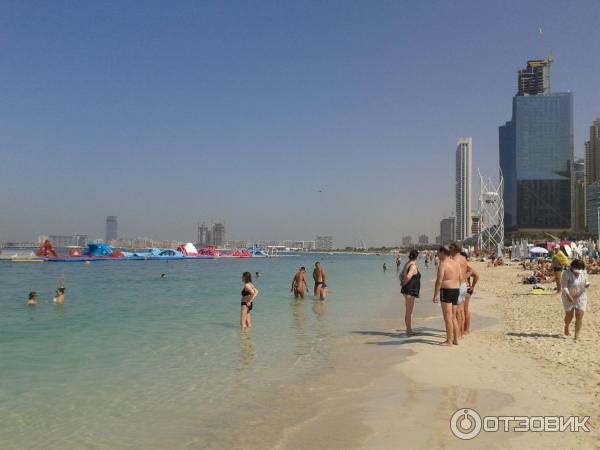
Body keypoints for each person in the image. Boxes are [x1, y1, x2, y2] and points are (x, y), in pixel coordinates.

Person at [433, 246, 461, 346]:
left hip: (446, 291)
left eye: (438, 252)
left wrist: (435, 295)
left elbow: (439, 281)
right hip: (456, 290)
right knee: (453, 316)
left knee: (447, 317)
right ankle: (456, 340)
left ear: (443, 253)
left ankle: (449, 340)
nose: (437, 255)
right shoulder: (455, 263)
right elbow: (459, 277)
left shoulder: (443, 264)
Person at [561, 259, 589, 341]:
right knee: (569, 316)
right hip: (568, 295)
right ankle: (566, 326)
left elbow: (586, 281)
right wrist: (568, 295)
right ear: (572, 267)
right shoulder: (566, 273)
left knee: (579, 315)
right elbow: (564, 286)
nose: (578, 272)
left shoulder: (583, 271)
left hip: (581, 295)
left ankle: (576, 335)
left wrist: (587, 284)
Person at [449, 243, 469, 340]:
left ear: (455, 249)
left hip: (458, 285)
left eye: (451, 248)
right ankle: (460, 333)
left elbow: (455, 274)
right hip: (464, 285)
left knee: (456, 311)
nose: (449, 249)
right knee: (460, 311)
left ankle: (457, 335)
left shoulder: (455, 259)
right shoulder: (463, 258)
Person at [400, 250, 421, 336]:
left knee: (408, 311)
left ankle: (408, 330)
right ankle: (409, 331)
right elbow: (408, 277)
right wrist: (404, 283)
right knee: (410, 311)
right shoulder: (413, 266)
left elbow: (400, 275)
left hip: (407, 290)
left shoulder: (407, 263)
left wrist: (402, 283)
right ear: (417, 257)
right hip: (410, 290)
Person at [463, 254, 479, 335]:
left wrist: (472, 286)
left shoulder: (467, 268)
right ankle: (462, 328)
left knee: (465, 309)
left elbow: (476, 275)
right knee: (461, 310)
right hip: (464, 289)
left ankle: (467, 329)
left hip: (467, 289)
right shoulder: (461, 266)